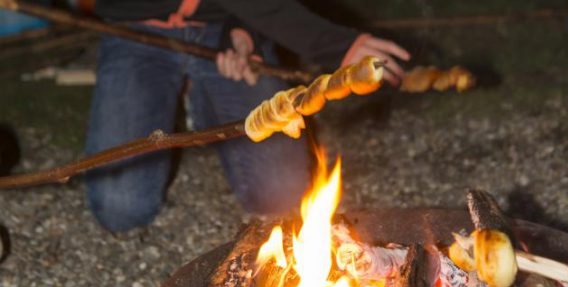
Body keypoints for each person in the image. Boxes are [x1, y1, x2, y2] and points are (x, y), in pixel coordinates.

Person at [87, 0, 410, 232]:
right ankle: (188, 92)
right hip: (136, 30)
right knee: (121, 207)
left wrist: (243, 34)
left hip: (226, 24)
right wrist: (337, 46)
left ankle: (204, 98)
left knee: (281, 195)